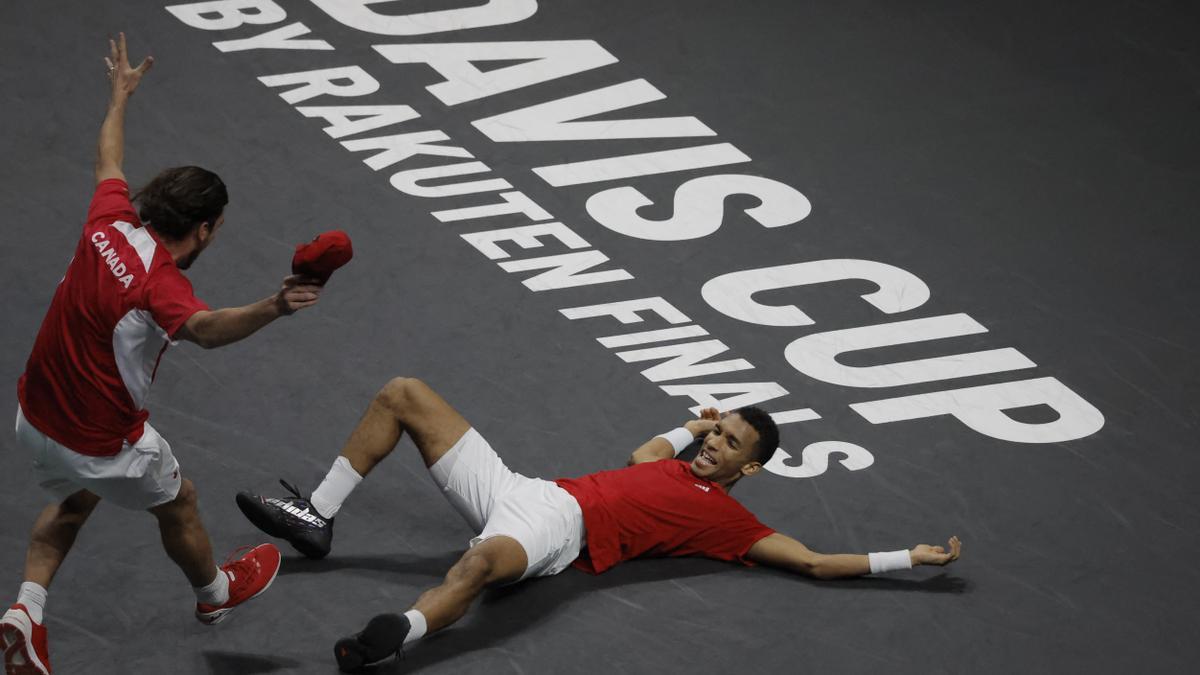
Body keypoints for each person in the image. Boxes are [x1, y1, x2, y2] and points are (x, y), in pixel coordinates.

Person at [235, 377, 963, 673]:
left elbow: (810, 559)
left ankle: (399, 635)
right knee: (404, 393)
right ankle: (317, 514)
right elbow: (645, 452)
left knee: (480, 565)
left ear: (752, 468)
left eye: (730, 443)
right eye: (720, 431)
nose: (715, 444)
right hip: (527, 487)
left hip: (560, 531)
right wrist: (690, 424)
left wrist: (906, 556)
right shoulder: (680, 458)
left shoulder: (728, 518)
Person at [0, 34, 326, 675]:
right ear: (203, 229)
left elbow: (108, 161)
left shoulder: (110, 221)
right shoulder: (161, 285)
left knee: (74, 500)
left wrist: (118, 97)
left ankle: (24, 614)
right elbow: (204, 330)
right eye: (218, 226)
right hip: (101, 439)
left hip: (33, 416)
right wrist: (274, 306)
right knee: (179, 499)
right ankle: (216, 597)